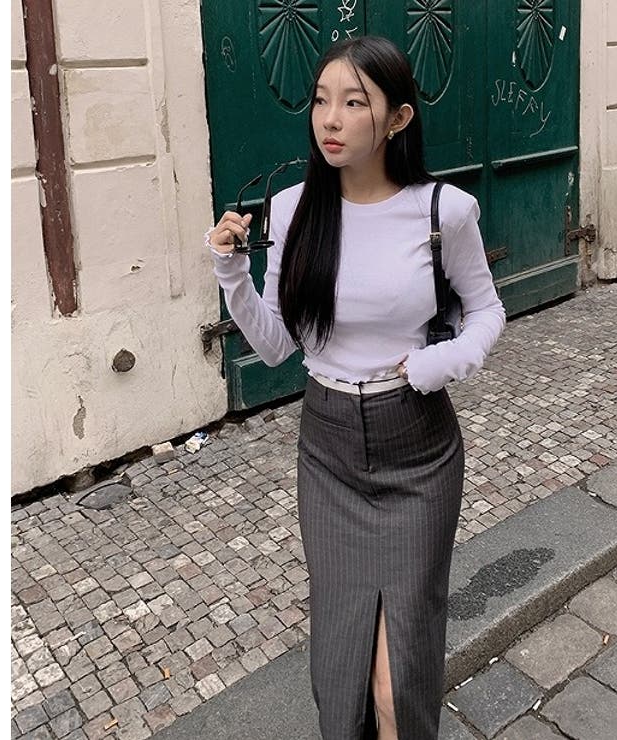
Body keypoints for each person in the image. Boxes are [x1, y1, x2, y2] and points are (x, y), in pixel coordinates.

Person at [206, 35, 505, 740]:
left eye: (353, 103)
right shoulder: (291, 210)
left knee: (400, 667)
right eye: (320, 101)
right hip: (329, 449)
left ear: (397, 119)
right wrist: (230, 276)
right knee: (343, 653)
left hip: (418, 448)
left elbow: (487, 311)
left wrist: (441, 364)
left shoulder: (443, 211)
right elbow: (277, 345)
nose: (330, 119)